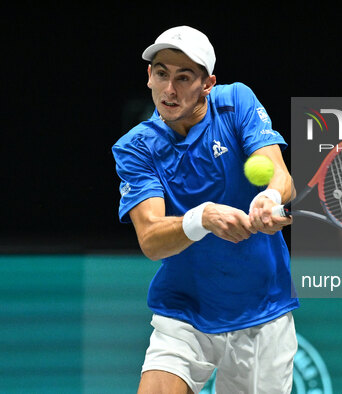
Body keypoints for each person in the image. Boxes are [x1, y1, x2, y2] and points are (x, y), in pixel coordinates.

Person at [112, 26, 298, 394]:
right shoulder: (136, 148)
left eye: (184, 77)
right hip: (184, 310)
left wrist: (270, 198)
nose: (169, 89)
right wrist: (203, 218)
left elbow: (279, 173)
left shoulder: (236, 103)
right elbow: (151, 239)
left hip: (260, 310)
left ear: (207, 84)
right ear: (149, 75)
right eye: (162, 73)